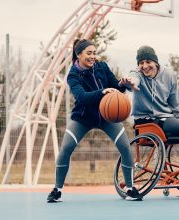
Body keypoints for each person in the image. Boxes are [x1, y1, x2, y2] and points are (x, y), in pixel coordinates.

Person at [46, 39, 142, 203]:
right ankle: (57, 190)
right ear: (79, 54)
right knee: (66, 148)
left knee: (126, 148)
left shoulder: (102, 67)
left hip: (106, 116)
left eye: (94, 53)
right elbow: (82, 97)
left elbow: (115, 87)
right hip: (83, 118)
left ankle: (130, 189)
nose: (93, 56)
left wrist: (123, 84)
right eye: (89, 53)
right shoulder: (73, 75)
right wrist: (102, 92)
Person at [120, 45, 179, 183]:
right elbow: (134, 78)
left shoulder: (168, 75)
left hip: (164, 119)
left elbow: (178, 106)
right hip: (144, 121)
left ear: (155, 62)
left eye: (148, 62)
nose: (144, 66)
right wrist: (130, 83)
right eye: (141, 63)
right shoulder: (137, 73)